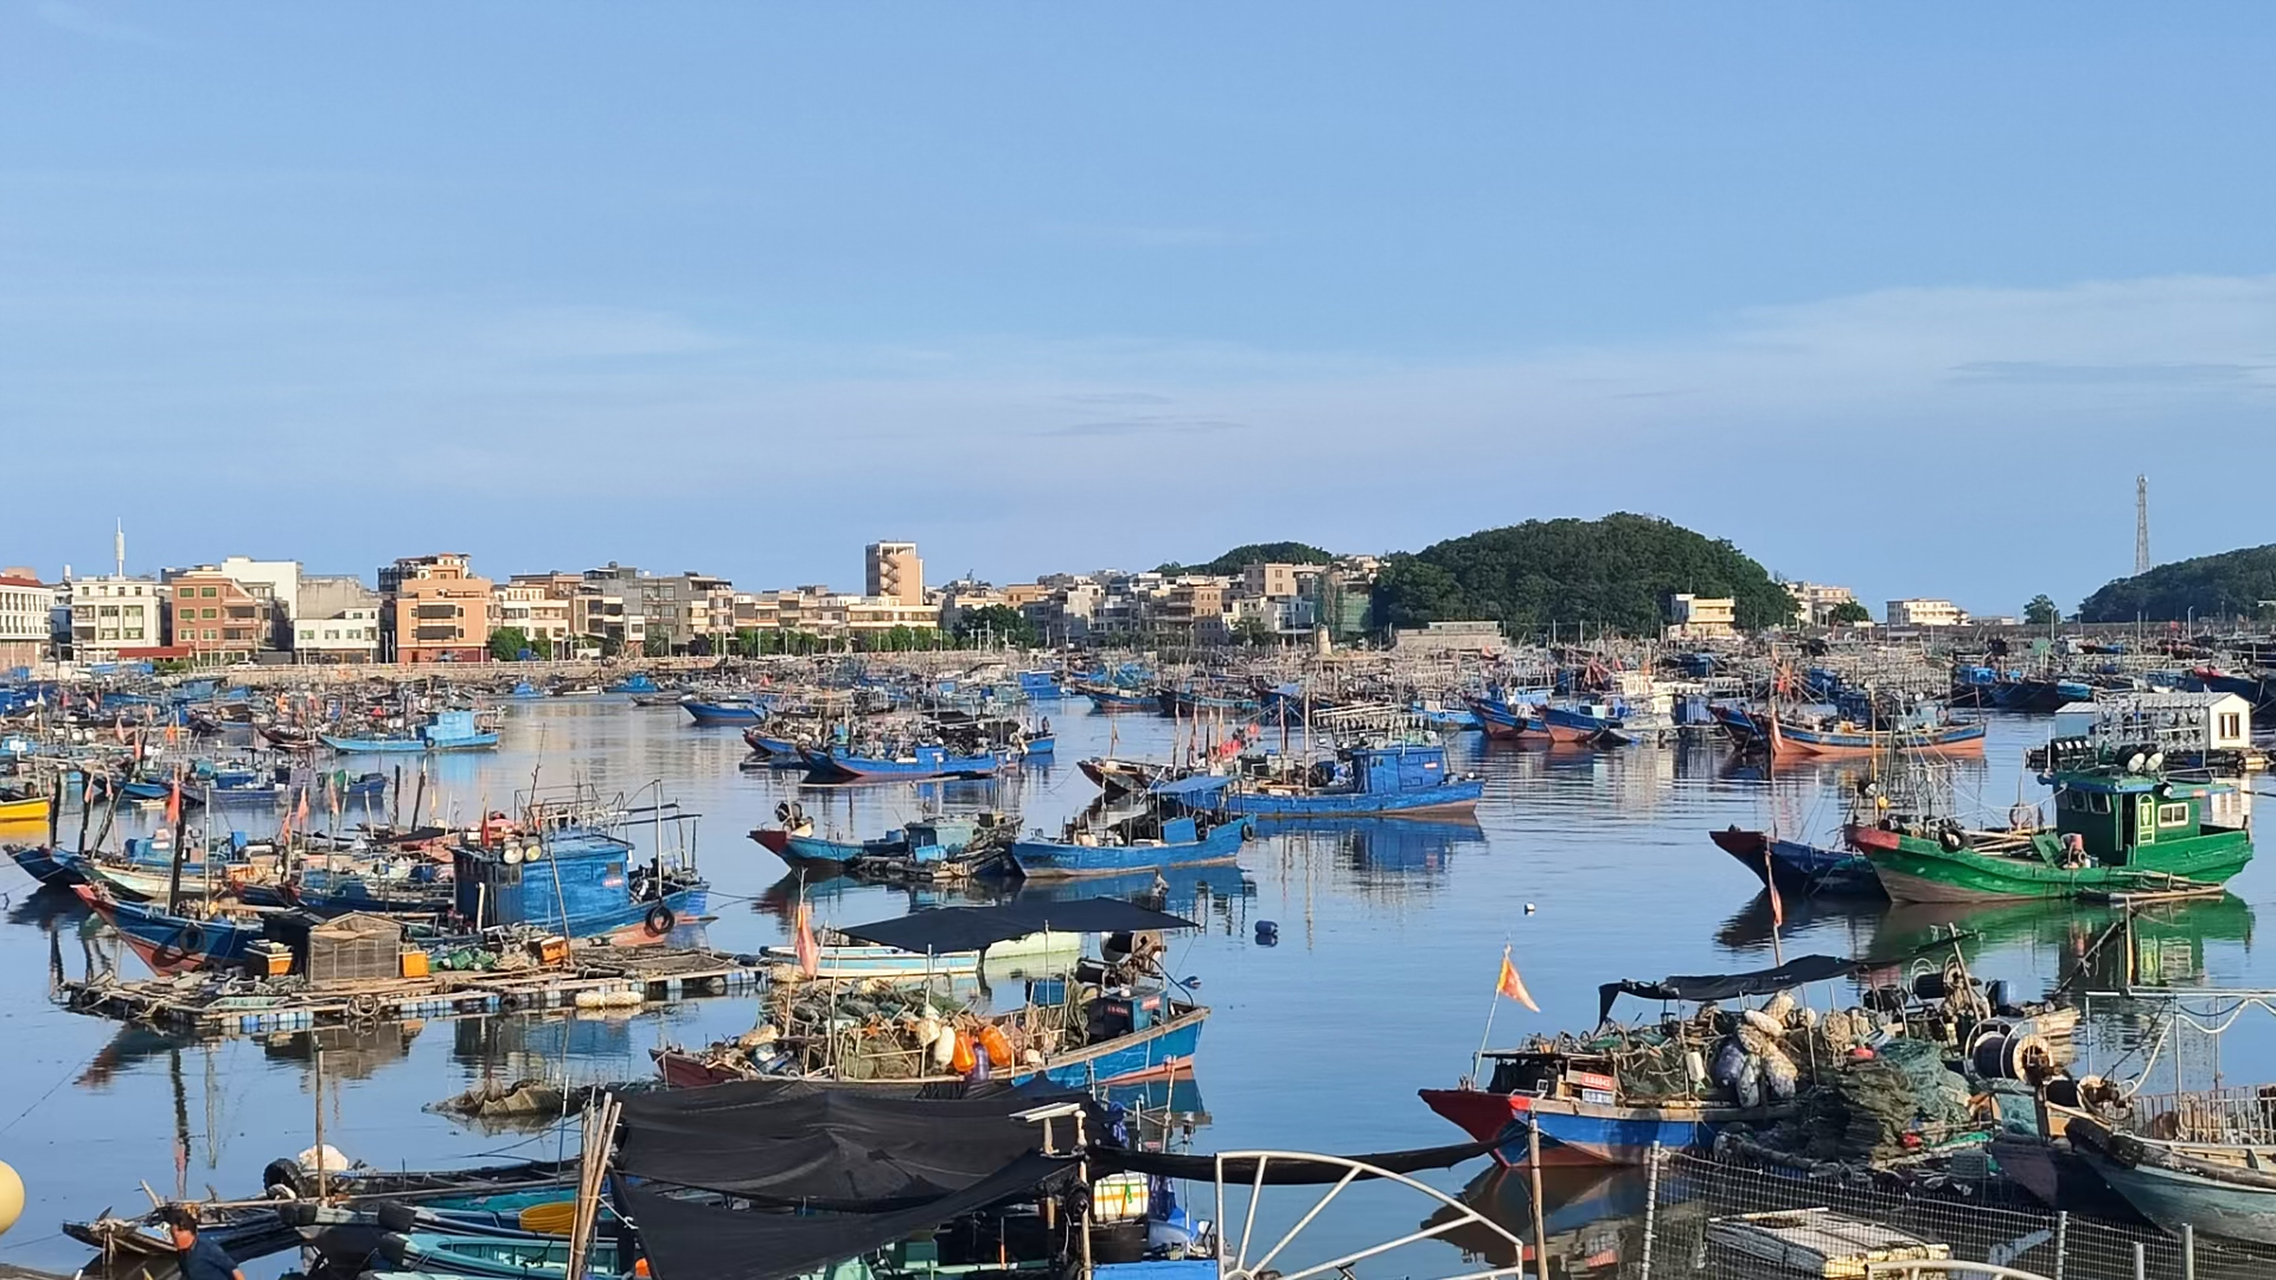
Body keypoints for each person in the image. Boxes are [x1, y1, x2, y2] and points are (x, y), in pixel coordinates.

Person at [163, 1205, 244, 1280]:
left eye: (175, 1236)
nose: (173, 1240)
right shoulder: (182, 1254)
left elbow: (235, 1271)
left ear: (188, 1232)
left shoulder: (208, 1247)